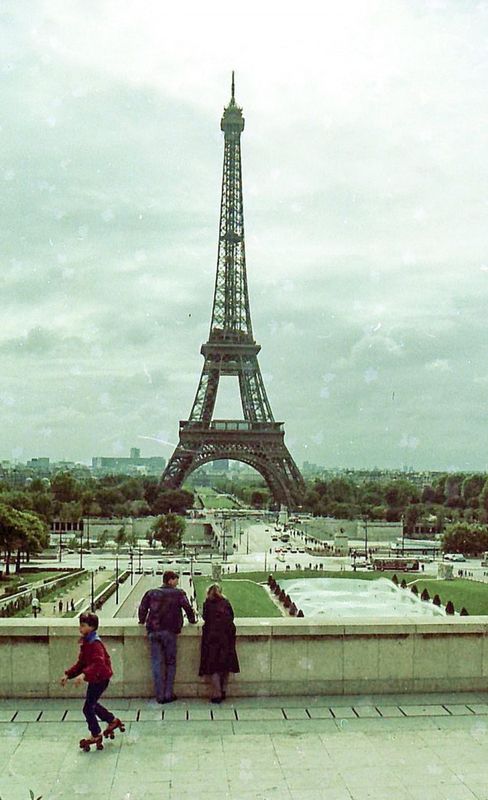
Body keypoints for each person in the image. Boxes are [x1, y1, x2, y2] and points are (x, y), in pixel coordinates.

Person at [60, 612, 124, 750]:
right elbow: (81, 663)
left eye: (83, 625)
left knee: (88, 707)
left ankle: (96, 734)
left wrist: (84, 675)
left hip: (100, 679)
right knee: (92, 704)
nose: (80, 628)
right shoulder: (87, 642)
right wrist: (68, 675)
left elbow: (98, 663)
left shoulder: (95, 643)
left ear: (92, 627)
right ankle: (112, 720)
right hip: (96, 678)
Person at [138, 570, 196, 704]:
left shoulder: (151, 592)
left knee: (156, 663)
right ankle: (168, 694)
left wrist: (142, 620)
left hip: (153, 631)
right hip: (170, 631)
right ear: (170, 580)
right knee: (170, 663)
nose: (177, 583)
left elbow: (142, 609)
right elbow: (188, 609)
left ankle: (159, 695)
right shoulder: (178, 593)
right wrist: (192, 620)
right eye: (176, 580)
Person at [199, 584, 239, 704]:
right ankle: (223, 690)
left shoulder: (207, 603)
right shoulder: (225, 602)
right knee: (225, 665)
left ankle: (217, 694)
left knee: (214, 667)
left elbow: (205, 618)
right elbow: (231, 616)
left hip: (212, 638)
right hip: (226, 637)